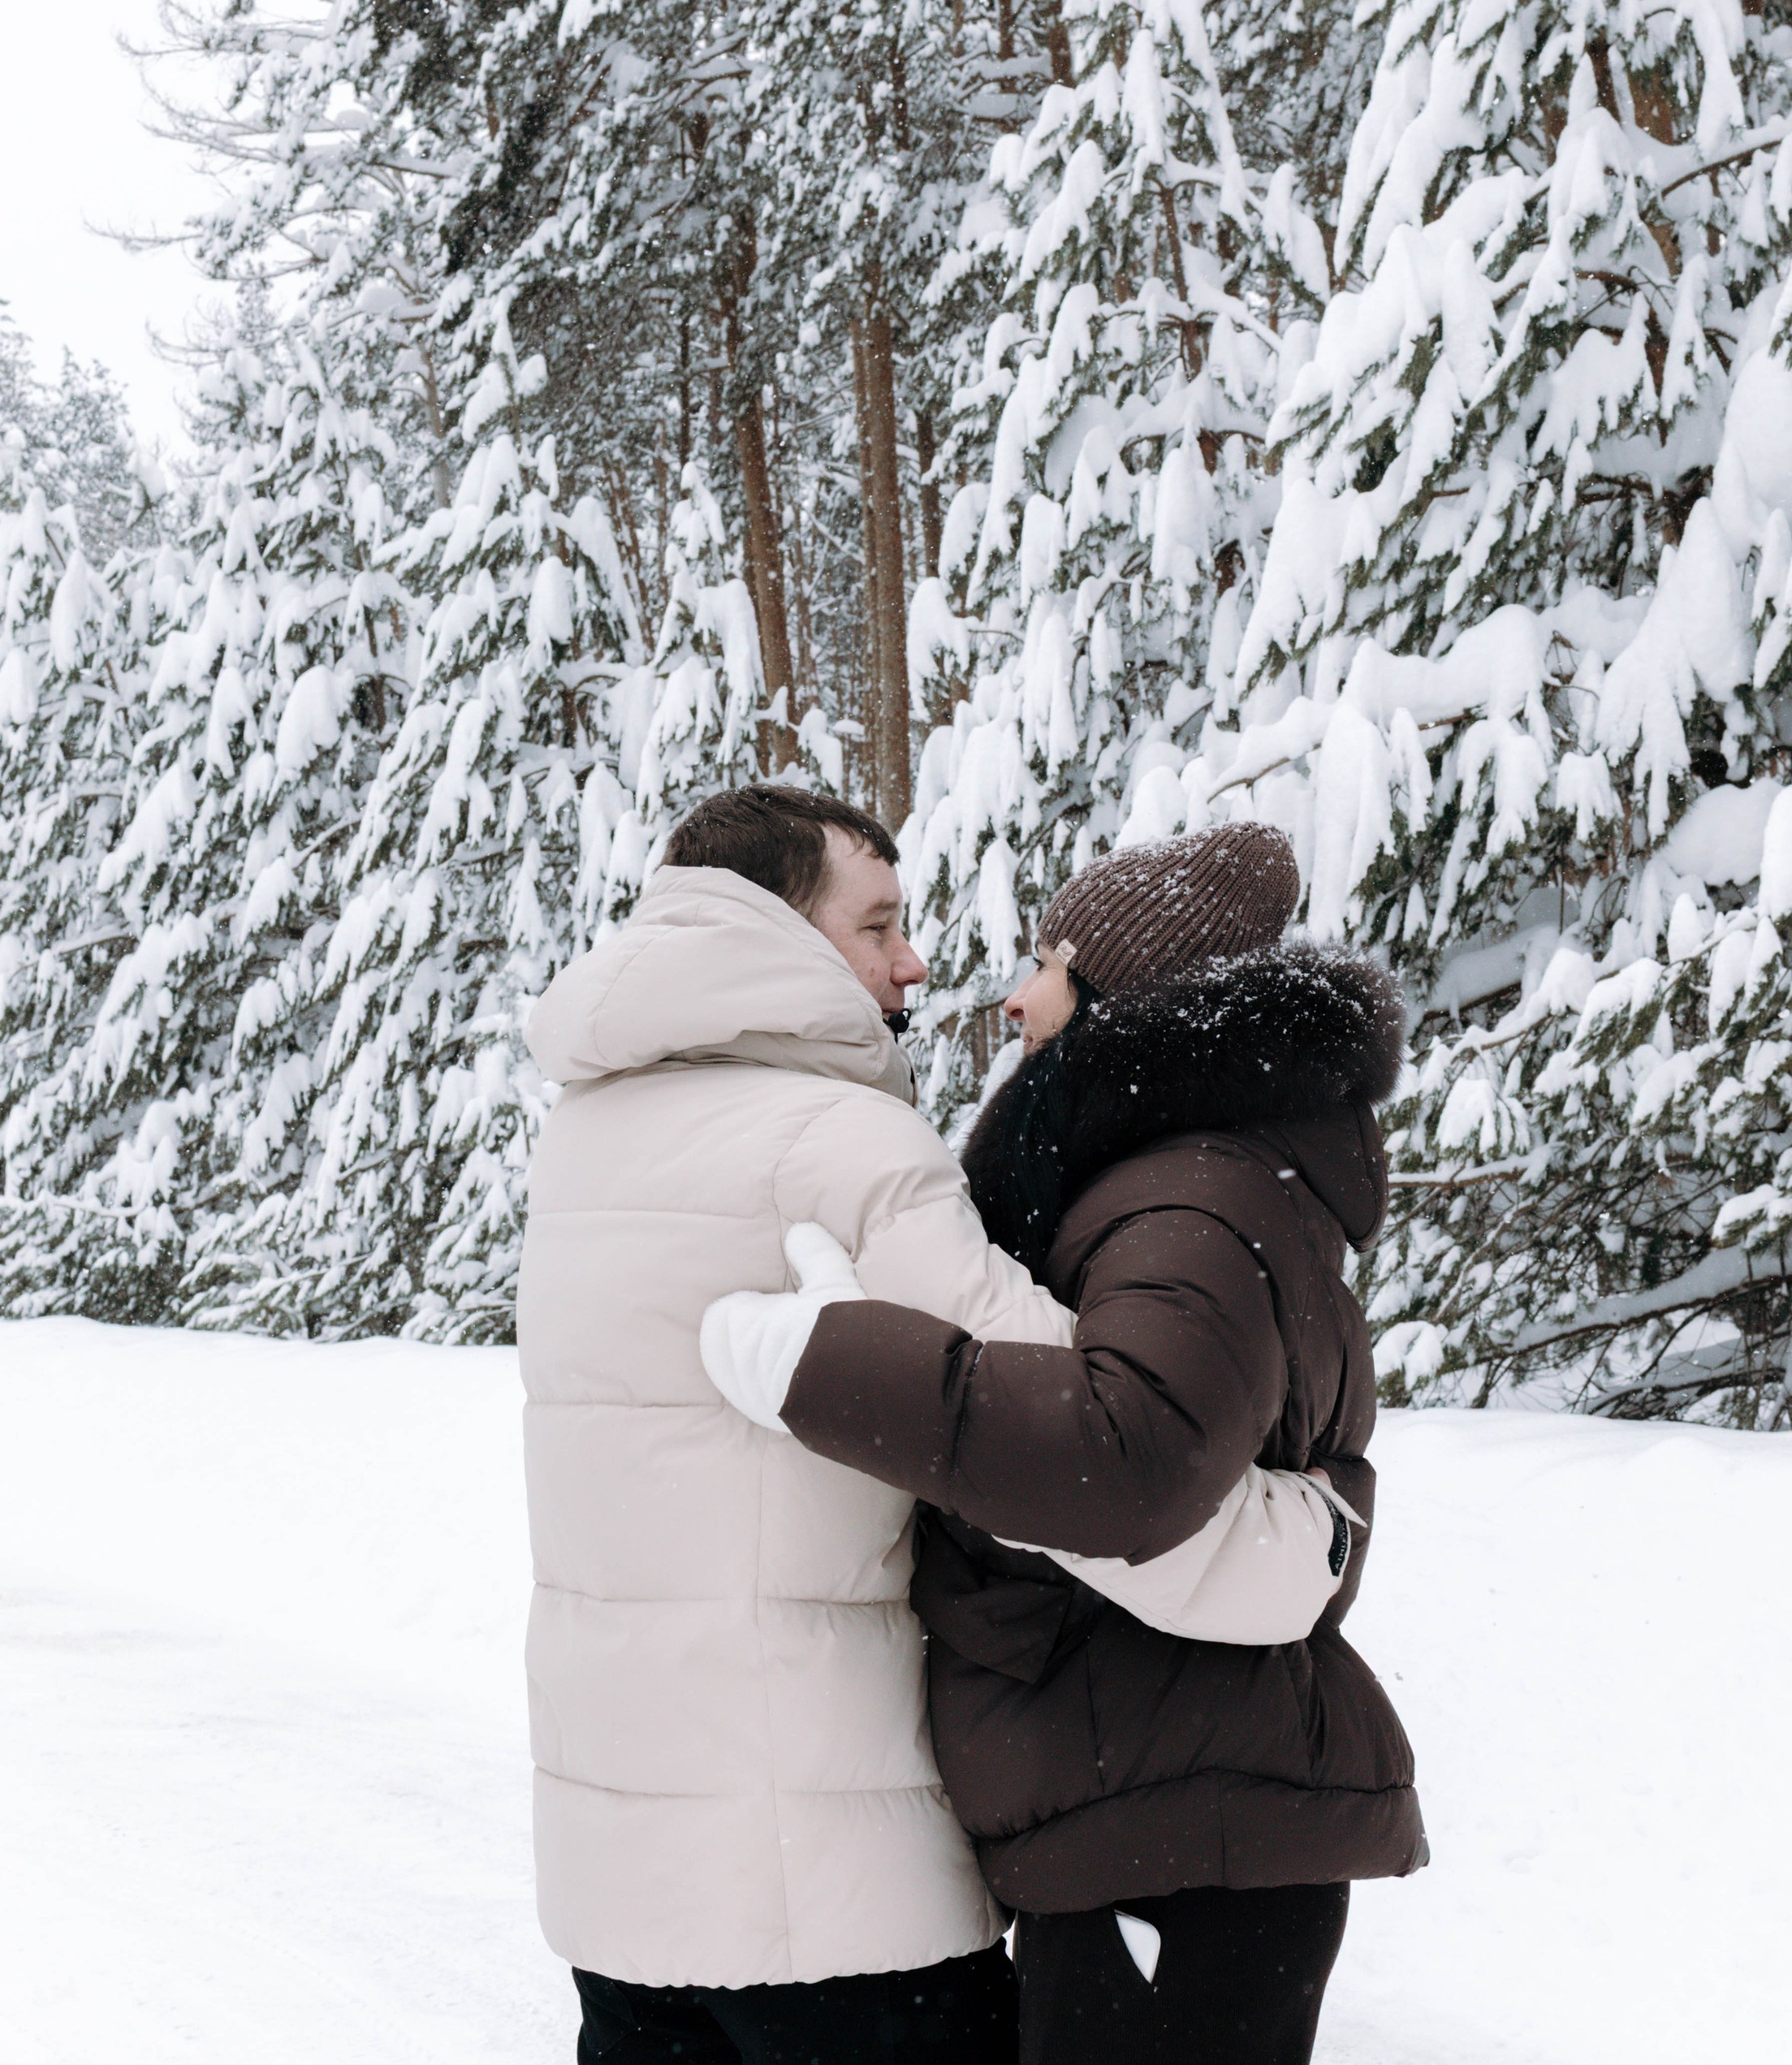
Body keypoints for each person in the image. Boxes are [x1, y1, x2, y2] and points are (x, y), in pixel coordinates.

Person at [516, 788, 1349, 2065]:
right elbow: (1091, 1449)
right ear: (772, 932)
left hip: (619, 1885)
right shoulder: (844, 1142)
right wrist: (1304, 1541)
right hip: (840, 1895)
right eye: (877, 926)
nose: (912, 963)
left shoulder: (587, 1139)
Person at [702, 820, 1428, 2065]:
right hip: (1157, 1804)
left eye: (1052, 960)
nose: (1016, 992)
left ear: (1128, 1003)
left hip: (1181, 1835)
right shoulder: (1179, 1177)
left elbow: (1126, 1460)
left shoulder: (1193, 1195)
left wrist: (832, 1359)